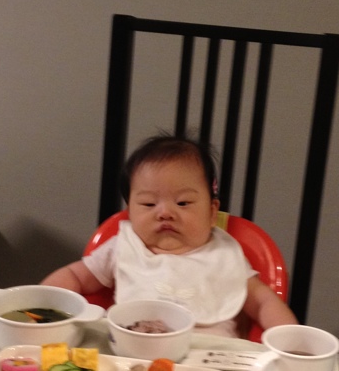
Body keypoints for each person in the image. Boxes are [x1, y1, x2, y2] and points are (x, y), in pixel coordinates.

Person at [40, 133, 298, 337]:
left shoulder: (224, 255)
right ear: (130, 212)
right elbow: (75, 276)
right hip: (131, 357)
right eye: (149, 204)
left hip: (207, 363)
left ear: (212, 212)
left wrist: (291, 342)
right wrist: (41, 306)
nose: (165, 213)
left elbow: (263, 302)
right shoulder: (123, 247)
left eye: (183, 203)